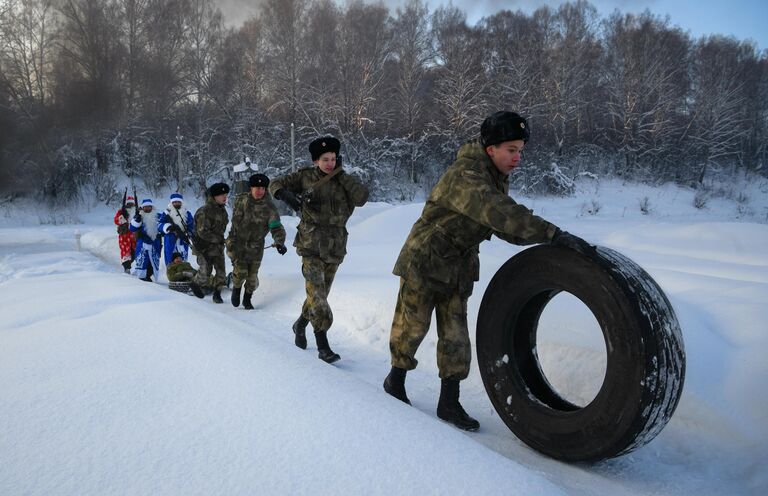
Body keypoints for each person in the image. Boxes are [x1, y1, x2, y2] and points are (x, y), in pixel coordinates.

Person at [382, 111, 593, 431]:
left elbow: (505, 227)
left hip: (458, 266)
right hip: (425, 261)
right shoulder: (466, 175)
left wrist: (551, 239)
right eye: (511, 150)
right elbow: (497, 212)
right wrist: (551, 233)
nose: (517, 158)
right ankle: (395, 382)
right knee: (412, 326)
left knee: (456, 338)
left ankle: (449, 401)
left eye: (521, 150)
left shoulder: (493, 176)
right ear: (490, 148)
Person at [269, 136, 369, 363]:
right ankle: (323, 345)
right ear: (316, 161)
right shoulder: (304, 176)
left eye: (333, 159)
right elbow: (274, 183)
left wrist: (342, 175)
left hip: (335, 247)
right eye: (325, 160)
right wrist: (285, 195)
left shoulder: (344, 180)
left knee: (318, 296)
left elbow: (362, 197)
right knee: (318, 297)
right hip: (311, 245)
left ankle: (300, 324)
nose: (330, 163)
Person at [227, 173, 287, 310]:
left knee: (252, 276)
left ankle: (247, 298)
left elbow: (276, 227)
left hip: (256, 246)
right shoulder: (240, 201)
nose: (260, 191)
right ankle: (236, 288)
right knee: (240, 271)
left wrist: (279, 242)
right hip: (238, 242)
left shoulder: (269, 208)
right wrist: (231, 242)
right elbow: (234, 222)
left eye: (263, 188)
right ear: (251, 188)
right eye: (257, 188)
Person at [189, 182, 230, 303]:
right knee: (205, 272)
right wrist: (221, 239)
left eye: (226, 194)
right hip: (203, 247)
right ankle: (195, 284)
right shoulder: (205, 211)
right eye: (222, 195)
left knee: (221, 272)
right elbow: (202, 232)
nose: (225, 197)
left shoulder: (223, 211)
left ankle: (217, 294)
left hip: (217, 247)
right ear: (214, 196)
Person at [129, 198, 163, 282]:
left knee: (153, 262)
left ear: (152, 207)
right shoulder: (139, 216)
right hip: (143, 243)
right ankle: (142, 277)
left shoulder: (158, 216)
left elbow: (162, 225)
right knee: (143, 261)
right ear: (142, 208)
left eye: (149, 207)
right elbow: (132, 228)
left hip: (155, 243)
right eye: (145, 207)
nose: (147, 208)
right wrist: (137, 219)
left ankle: (148, 275)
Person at [158, 193, 195, 266]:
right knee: (170, 258)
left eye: (178, 202)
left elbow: (191, 225)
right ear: (171, 203)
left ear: (181, 202)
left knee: (183, 259)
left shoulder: (187, 213)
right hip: (170, 238)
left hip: (183, 238)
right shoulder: (166, 213)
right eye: (174, 202)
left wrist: (190, 234)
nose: (176, 204)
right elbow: (159, 224)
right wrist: (167, 227)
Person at [114, 195, 137, 273]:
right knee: (125, 252)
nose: (130, 205)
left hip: (134, 236)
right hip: (124, 236)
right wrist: (122, 218)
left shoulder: (136, 211)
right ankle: (126, 268)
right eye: (129, 204)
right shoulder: (121, 211)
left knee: (134, 253)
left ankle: (129, 265)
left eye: (132, 204)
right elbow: (116, 220)